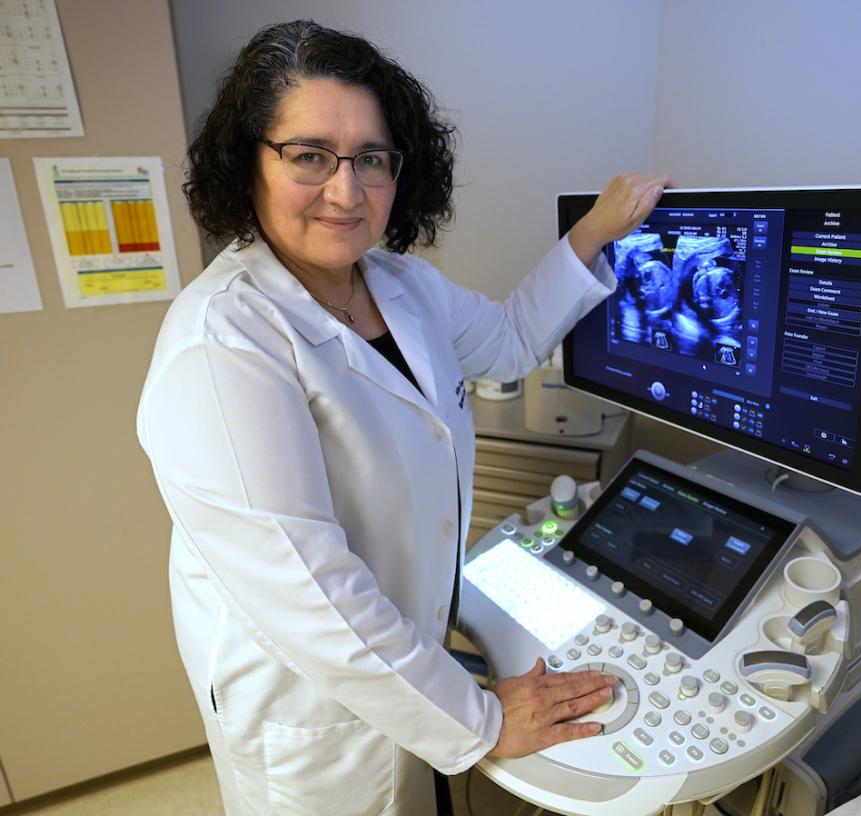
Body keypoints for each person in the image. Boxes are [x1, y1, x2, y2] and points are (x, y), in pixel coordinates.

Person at [136, 19, 669, 816]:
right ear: (246, 162)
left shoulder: (397, 284)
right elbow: (314, 598)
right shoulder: (223, 347)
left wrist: (595, 230)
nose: (347, 191)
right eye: (309, 155)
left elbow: (509, 340)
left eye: (372, 160)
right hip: (312, 712)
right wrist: (484, 721)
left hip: (404, 653)